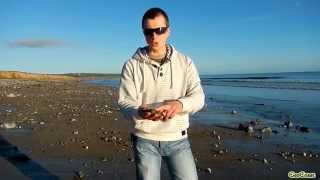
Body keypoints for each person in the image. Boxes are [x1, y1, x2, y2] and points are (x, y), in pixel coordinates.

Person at [118, 7, 205, 180]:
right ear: (143, 33)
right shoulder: (131, 65)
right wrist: (138, 112)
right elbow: (124, 102)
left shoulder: (185, 62)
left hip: (178, 139)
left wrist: (179, 105)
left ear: (168, 31)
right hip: (144, 139)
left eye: (159, 30)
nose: (154, 36)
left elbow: (199, 97)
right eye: (148, 32)